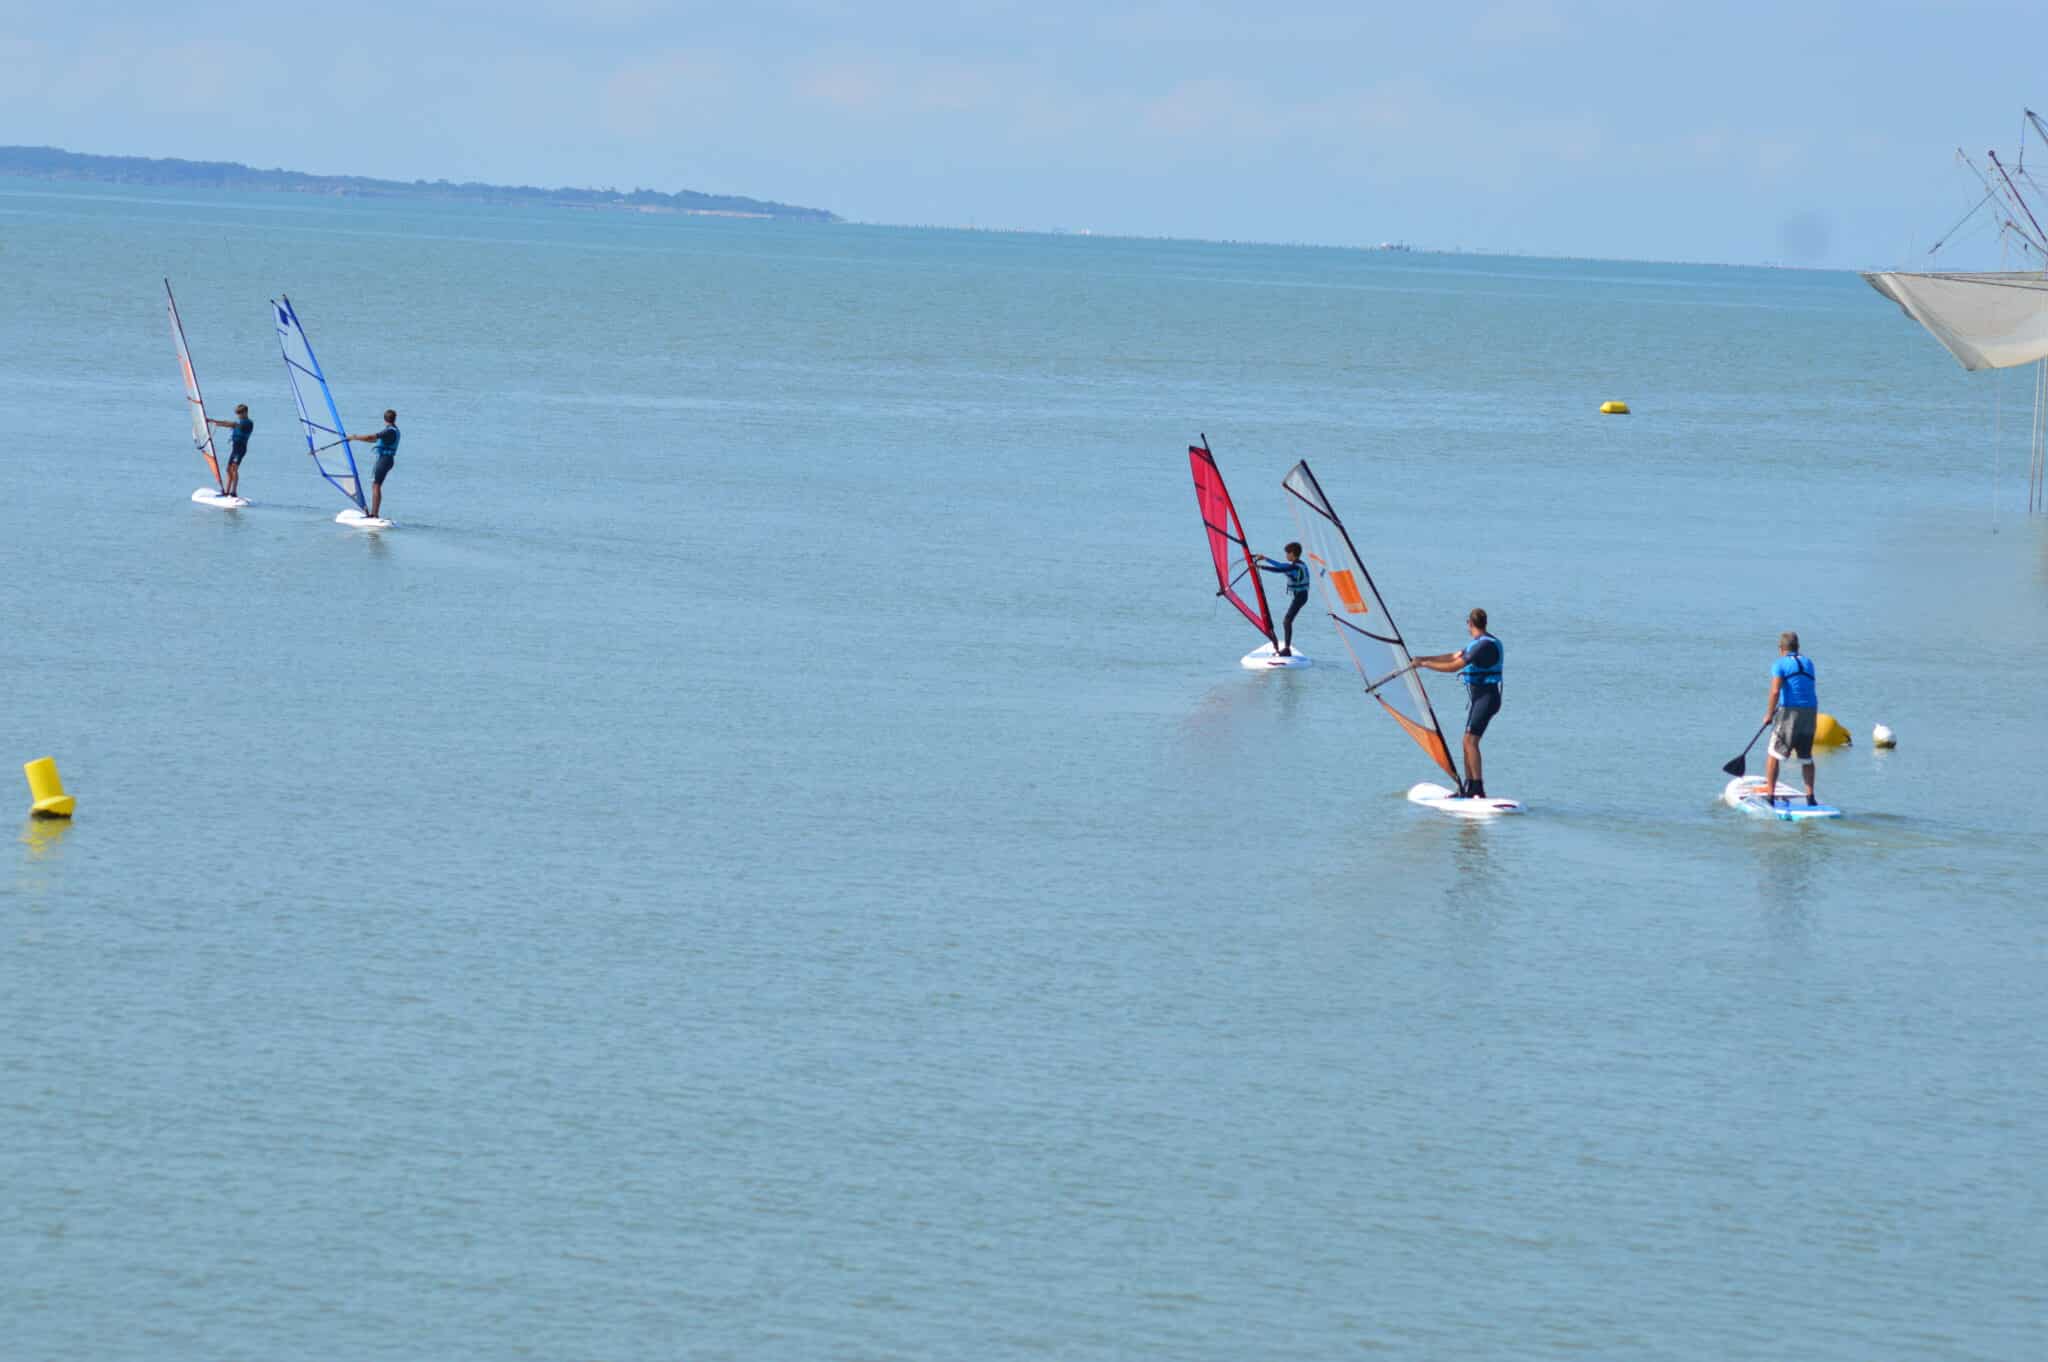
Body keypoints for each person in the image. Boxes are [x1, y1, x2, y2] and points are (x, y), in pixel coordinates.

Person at [1413, 608, 1503, 799]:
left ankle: (1478, 788)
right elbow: (1453, 656)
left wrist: (1425, 665)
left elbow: (1454, 666)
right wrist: (1424, 658)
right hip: (1481, 698)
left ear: (1469, 623)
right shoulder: (1478, 643)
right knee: (1467, 741)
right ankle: (1469, 787)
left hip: (1487, 698)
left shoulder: (1484, 646)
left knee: (1471, 741)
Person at [1763, 631, 1819, 807]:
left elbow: (1775, 691)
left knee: (1773, 753)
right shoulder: (1809, 662)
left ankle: (1770, 796)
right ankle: (1810, 797)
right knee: (1806, 756)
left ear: (1781, 649)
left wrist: (1769, 714)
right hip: (1811, 711)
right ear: (1798, 648)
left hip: (1790, 713)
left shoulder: (1779, 664)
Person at [1252, 542, 1312, 656]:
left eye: (1287, 553)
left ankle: (1287, 649)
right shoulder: (1298, 564)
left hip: (1300, 597)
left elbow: (1280, 570)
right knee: (1287, 621)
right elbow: (1281, 565)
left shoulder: (1294, 567)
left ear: (1292, 554)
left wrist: (1260, 567)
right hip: (1301, 595)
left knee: (1287, 621)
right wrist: (1265, 559)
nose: (1286, 556)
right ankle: (1287, 648)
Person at [348, 409, 400, 519]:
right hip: (388, 460)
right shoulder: (393, 430)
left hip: (384, 460)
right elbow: (373, 440)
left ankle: (374, 515)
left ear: (385, 419)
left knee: (376, 485)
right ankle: (374, 513)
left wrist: (354, 437)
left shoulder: (389, 431)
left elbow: (370, 437)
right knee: (376, 485)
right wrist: (355, 439)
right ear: (395, 419)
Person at [206, 403, 253, 497]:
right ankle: (226, 492)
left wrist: (214, 421)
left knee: (234, 469)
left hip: (241, 449)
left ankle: (234, 492)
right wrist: (213, 421)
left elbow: (229, 424)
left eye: (240, 413)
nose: (239, 415)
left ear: (245, 412)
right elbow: (229, 424)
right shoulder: (239, 422)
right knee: (228, 469)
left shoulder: (248, 423)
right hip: (235, 449)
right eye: (237, 414)